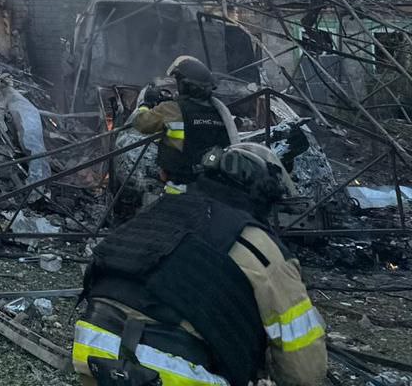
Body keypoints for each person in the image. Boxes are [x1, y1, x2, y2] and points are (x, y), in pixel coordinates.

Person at [72, 142, 326, 386]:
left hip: (94, 351)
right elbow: (304, 371)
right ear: (264, 193)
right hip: (173, 372)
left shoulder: (159, 212)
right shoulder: (260, 246)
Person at [133, 56, 233, 194]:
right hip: (212, 188)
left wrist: (145, 104)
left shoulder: (171, 109)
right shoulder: (220, 113)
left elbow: (140, 123)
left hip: (178, 188)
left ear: (185, 85)